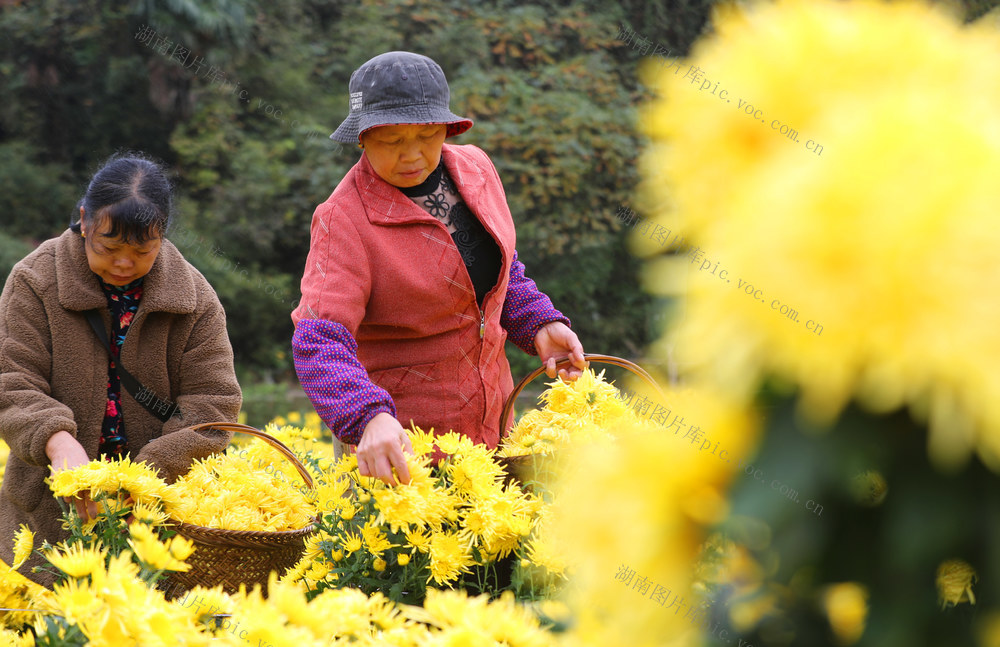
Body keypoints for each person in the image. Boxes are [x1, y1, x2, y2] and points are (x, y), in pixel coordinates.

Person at [292, 51, 588, 487]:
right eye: (391, 140)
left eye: (428, 134)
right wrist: (366, 418)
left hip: (495, 427)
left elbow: (497, 273)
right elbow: (319, 340)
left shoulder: (476, 170)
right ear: (362, 137)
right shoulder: (344, 220)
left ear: (446, 128)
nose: (412, 154)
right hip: (404, 455)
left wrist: (537, 321)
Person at [0, 153, 242, 586]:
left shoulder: (194, 299)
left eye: (142, 251)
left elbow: (213, 404)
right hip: (47, 514)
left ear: (162, 235)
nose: (123, 264)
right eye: (108, 247)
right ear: (84, 221)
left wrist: (146, 479)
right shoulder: (35, 280)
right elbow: (12, 380)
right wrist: (57, 443)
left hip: (160, 519)